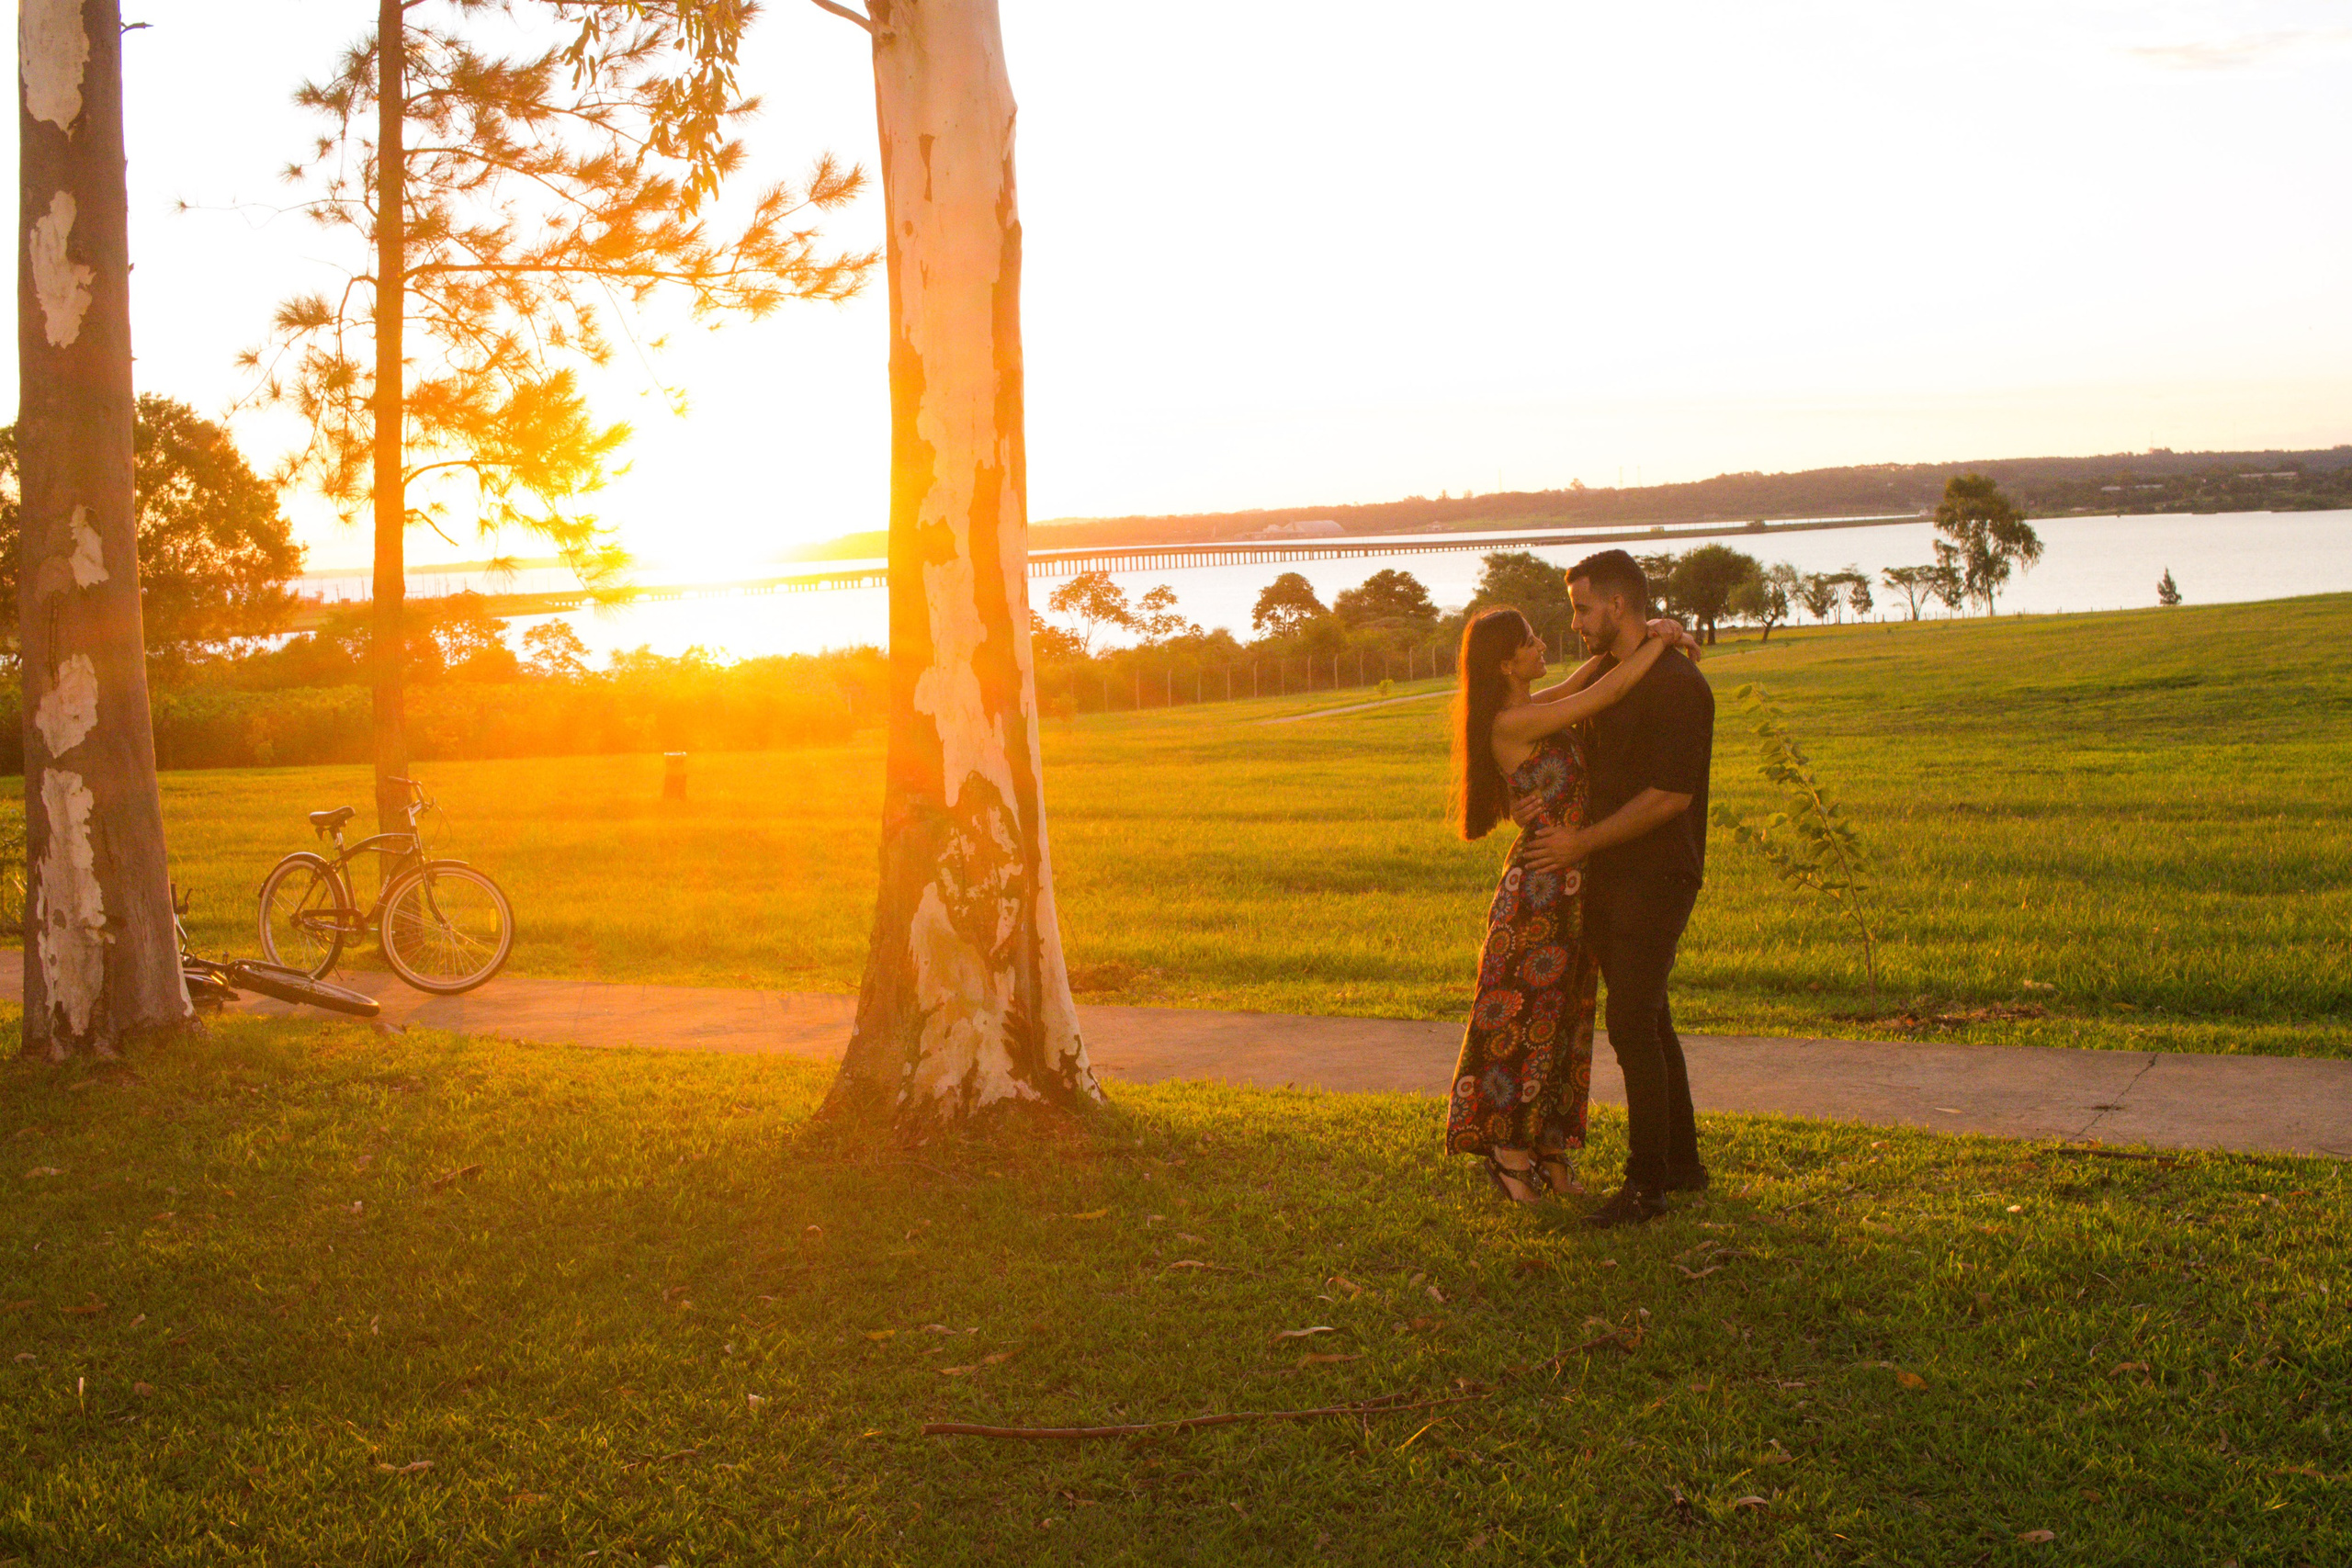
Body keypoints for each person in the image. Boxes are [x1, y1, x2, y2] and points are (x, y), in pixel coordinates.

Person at [1444, 604, 1693, 1206]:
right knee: (1522, 1023)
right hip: (1538, 895)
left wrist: (1628, 642)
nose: (1541, 642)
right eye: (1530, 639)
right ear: (1507, 662)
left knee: (1563, 1025)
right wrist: (1659, 638)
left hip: (1570, 889)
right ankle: (1508, 1154)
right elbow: (1606, 691)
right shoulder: (1511, 722)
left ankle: (1548, 1150)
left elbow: (1586, 677)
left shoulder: (1530, 706)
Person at [1521, 549, 1715, 1228]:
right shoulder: (1609, 671)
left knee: (1631, 1021)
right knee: (1650, 1016)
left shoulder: (1677, 685)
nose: (1573, 621)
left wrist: (1580, 843)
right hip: (1612, 873)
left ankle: (1647, 1186)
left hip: (1659, 873)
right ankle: (1683, 1164)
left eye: (1581, 607)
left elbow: (1668, 796)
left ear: (1617, 605)